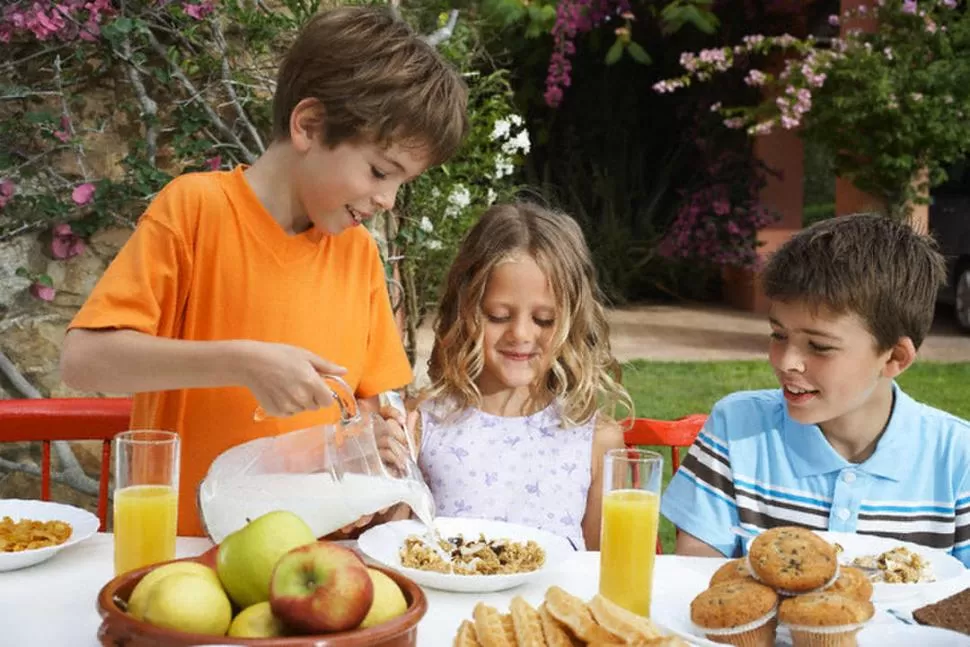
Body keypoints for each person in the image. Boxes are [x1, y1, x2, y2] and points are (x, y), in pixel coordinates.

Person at [58, 5, 468, 537]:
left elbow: (374, 405)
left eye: (401, 183)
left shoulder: (358, 254)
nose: (388, 200)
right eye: (379, 171)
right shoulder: (195, 210)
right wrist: (243, 362)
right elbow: (84, 360)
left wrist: (381, 439)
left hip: (321, 565)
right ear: (309, 125)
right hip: (189, 557)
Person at [661, 213, 970, 567]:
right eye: (779, 335)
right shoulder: (737, 429)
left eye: (820, 347)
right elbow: (696, 582)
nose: (786, 361)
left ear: (894, 357)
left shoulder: (958, 460)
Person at [401, 202, 633, 550]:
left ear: (572, 322)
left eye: (543, 320)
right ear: (465, 310)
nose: (521, 334)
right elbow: (393, 545)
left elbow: (606, 568)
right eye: (497, 316)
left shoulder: (597, 439)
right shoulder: (421, 423)